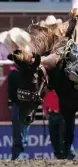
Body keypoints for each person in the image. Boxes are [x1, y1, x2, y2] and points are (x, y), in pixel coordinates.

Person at [5, 28, 31, 160]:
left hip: (23, 103)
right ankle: (17, 154)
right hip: (18, 102)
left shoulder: (25, 66)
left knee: (20, 132)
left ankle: (18, 155)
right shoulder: (16, 68)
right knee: (18, 132)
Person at [42, 89, 76, 159]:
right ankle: (59, 156)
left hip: (63, 114)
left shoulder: (64, 91)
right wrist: (46, 112)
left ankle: (70, 154)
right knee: (54, 138)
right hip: (53, 115)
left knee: (63, 137)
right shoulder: (49, 91)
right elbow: (45, 102)